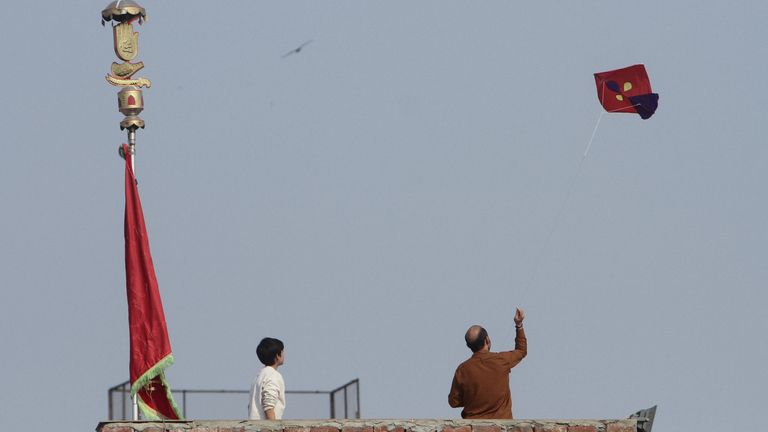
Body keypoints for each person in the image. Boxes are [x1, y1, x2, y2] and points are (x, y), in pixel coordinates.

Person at [448, 308, 527, 419]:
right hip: (502, 426)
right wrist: (519, 325)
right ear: (487, 340)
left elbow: (453, 401)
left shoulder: (462, 370)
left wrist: (472, 398)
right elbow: (521, 351)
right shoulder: (501, 360)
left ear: (469, 346)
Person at [248, 337, 286, 420]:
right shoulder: (273, 376)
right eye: (282, 352)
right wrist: (273, 428)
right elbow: (269, 406)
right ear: (277, 355)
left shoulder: (258, 376)